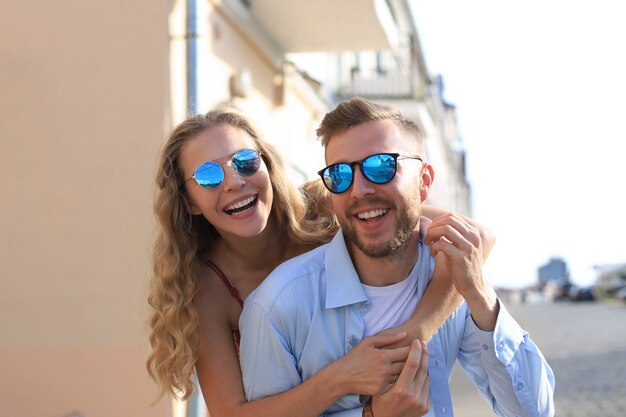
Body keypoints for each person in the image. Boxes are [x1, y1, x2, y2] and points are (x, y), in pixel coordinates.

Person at [146, 106, 495, 417]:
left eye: (245, 162)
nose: (235, 182)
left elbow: (476, 238)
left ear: (267, 166)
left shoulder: (322, 204)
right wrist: (342, 377)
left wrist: (418, 329)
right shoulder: (208, 289)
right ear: (189, 201)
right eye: (209, 176)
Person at [240, 97, 555, 417]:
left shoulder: (450, 279)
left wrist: (479, 295)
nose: (359, 189)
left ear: (424, 182)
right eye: (340, 175)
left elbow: (534, 412)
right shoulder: (278, 305)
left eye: (381, 165)